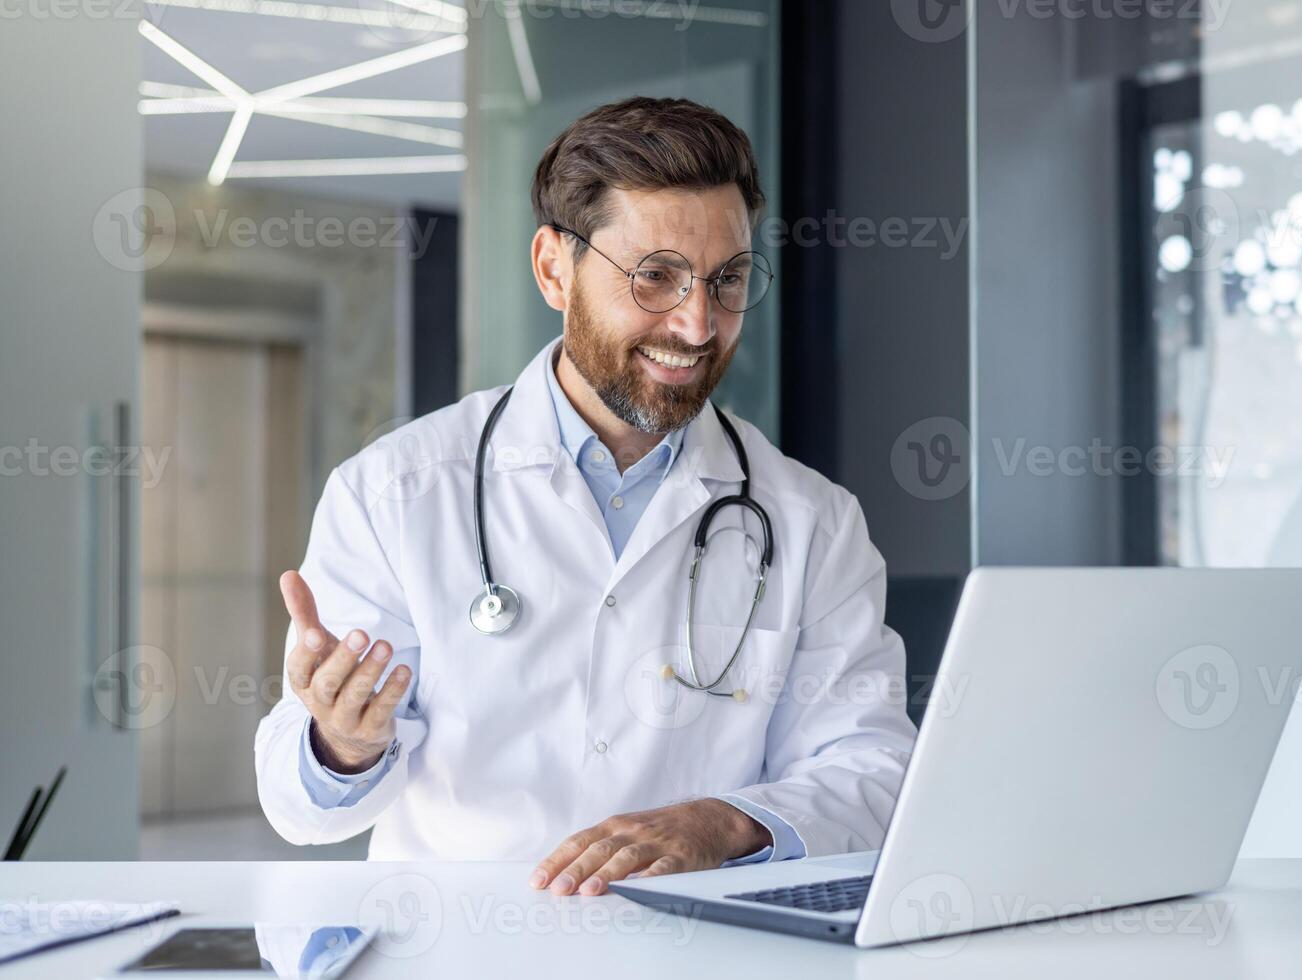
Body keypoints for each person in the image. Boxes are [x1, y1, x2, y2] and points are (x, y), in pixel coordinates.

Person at [254, 97, 917, 898]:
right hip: (462, 953)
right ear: (553, 269)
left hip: (701, 952)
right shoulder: (394, 492)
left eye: (728, 280)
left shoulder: (812, 521)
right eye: (656, 276)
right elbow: (300, 810)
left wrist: (722, 822)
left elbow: (874, 772)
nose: (698, 322)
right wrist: (342, 743)